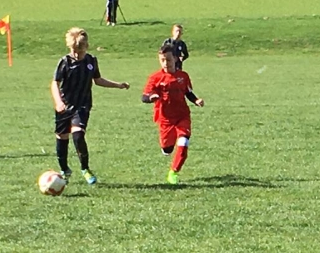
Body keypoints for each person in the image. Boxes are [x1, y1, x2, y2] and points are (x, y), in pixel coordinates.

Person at [51, 27, 130, 185]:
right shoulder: (65, 62)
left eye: (80, 51)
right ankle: (64, 169)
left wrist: (118, 85)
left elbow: (98, 80)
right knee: (62, 138)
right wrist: (58, 102)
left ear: (86, 46)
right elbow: (55, 83)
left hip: (82, 105)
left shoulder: (91, 61)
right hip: (65, 106)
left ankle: (85, 169)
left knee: (78, 135)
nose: (77, 54)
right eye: (74, 51)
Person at [143, 44, 205, 185]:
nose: (166, 63)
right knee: (167, 148)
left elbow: (188, 92)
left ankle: (174, 172)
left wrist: (196, 100)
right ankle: (167, 148)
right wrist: (151, 97)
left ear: (176, 59)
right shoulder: (155, 78)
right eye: (162, 60)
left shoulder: (183, 76)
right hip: (165, 118)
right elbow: (144, 96)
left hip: (182, 116)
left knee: (183, 143)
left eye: (169, 59)